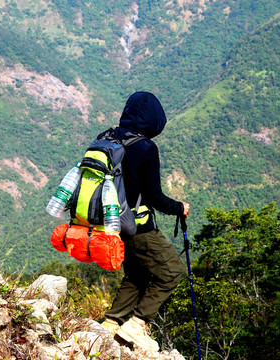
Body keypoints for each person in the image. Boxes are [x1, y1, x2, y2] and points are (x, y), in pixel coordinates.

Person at [101, 92, 190, 353]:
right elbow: (155, 197)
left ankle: (110, 325)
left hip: (111, 225)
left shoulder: (107, 138)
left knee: (138, 275)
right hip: (138, 227)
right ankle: (136, 325)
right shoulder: (145, 148)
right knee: (172, 271)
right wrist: (180, 208)